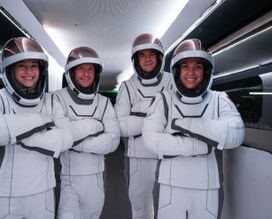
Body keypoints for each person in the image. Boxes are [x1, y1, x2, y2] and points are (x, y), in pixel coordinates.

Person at [142, 38, 245, 219]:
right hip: (170, 187)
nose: (191, 72)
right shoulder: (163, 99)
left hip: (207, 188)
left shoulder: (219, 99)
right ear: (176, 70)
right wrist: (201, 145)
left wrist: (185, 126)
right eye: (185, 66)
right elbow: (151, 139)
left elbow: (236, 133)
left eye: (197, 66)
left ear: (206, 71)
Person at [0, 37, 74, 219]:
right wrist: (43, 121)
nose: (29, 72)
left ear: (41, 71)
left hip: (43, 193)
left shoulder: (51, 101)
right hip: (4, 196)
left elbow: (66, 139)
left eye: (33, 66)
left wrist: (18, 134)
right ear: (10, 69)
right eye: (22, 66)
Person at [54, 46, 120, 219]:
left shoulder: (104, 102)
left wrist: (76, 143)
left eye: (90, 69)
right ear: (71, 72)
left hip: (96, 181)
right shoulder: (56, 98)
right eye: (81, 68)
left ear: (96, 73)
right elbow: (59, 136)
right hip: (66, 180)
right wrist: (95, 127)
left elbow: (113, 141)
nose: (86, 73)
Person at [114, 33, 172, 218]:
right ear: (136, 59)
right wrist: (158, 114)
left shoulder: (173, 81)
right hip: (137, 158)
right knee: (140, 206)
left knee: (169, 205)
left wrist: (138, 112)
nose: (147, 59)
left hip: (170, 155)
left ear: (159, 57)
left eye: (151, 54)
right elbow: (120, 127)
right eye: (142, 55)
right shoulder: (127, 86)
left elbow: (178, 119)